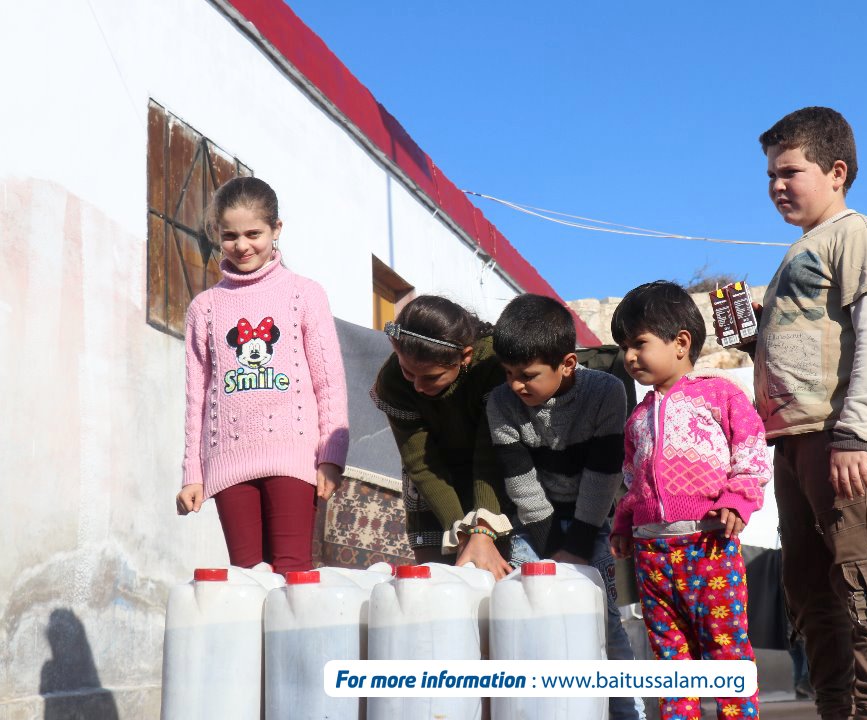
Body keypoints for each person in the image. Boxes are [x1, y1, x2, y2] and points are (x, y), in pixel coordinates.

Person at [755, 106, 867, 719]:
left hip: (844, 438)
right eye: (770, 174)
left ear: (836, 171)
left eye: (789, 171)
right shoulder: (804, 250)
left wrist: (855, 432)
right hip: (797, 444)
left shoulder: (858, 235)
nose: (776, 185)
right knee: (810, 594)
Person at [609, 281, 770, 720]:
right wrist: (624, 522)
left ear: (681, 343)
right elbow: (633, 481)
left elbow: (751, 449)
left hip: (708, 546)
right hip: (652, 555)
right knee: (670, 662)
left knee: (726, 653)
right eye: (624, 347)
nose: (629, 356)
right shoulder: (638, 417)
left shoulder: (721, 395)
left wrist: (739, 498)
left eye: (638, 343)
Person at [176, 176, 348, 574]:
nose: (242, 245)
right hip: (227, 462)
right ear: (217, 235)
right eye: (230, 235)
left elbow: (329, 381)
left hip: (294, 456)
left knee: (292, 574)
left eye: (254, 233)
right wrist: (192, 472)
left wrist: (331, 456)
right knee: (247, 579)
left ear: (276, 230)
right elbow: (197, 397)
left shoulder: (305, 293)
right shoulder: (204, 308)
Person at [486, 293, 642, 720]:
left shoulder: (606, 393)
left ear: (568, 364)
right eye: (508, 373)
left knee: (604, 622)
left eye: (528, 375)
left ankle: (625, 710)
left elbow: (603, 476)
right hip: (533, 527)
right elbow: (520, 481)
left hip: (592, 524)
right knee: (528, 617)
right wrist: (553, 545)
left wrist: (577, 544)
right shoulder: (501, 402)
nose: (516, 385)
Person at [369, 295, 514, 578]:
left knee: (495, 583)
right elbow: (421, 463)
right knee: (440, 584)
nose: (418, 387)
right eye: (409, 372)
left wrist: (483, 529)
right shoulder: (394, 383)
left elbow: (491, 452)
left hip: (492, 477)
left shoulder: (491, 364)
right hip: (433, 486)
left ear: (465, 357)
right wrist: (460, 534)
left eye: (432, 377)